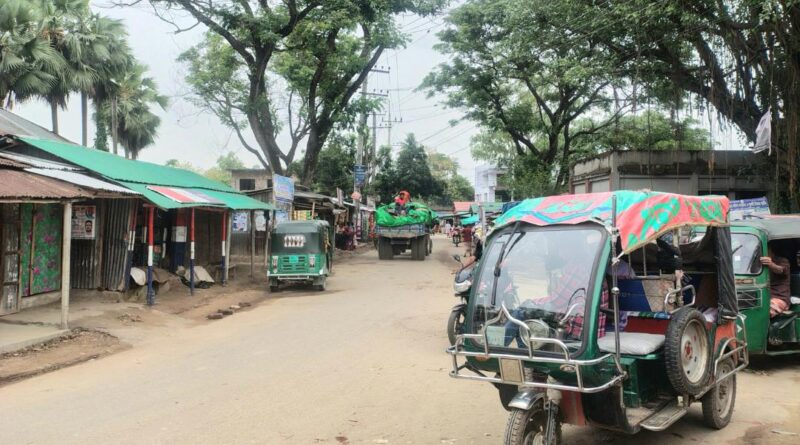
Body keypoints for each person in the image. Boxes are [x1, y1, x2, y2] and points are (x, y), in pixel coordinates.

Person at [763, 244, 791, 317]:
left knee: (766, 311)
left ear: (770, 250)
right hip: (763, 297)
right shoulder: (756, 263)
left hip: (779, 297)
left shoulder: (782, 261)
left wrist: (771, 264)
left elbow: (782, 270)